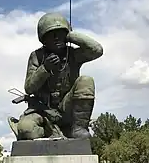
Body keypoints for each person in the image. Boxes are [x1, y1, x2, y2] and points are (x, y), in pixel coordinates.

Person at [9, 12, 103, 140]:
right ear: (43, 39)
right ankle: (50, 130)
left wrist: (72, 36)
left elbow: (96, 50)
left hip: (66, 107)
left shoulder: (73, 54)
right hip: (42, 111)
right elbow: (29, 88)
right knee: (26, 130)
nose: (56, 37)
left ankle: (79, 128)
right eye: (51, 35)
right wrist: (45, 68)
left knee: (86, 81)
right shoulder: (37, 56)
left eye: (60, 33)